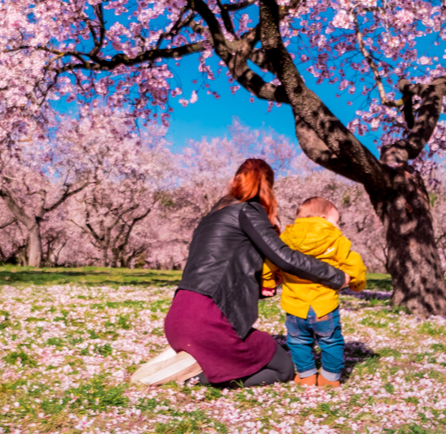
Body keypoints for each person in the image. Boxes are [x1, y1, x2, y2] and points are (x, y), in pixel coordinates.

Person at [149, 159, 350, 388]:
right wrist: (335, 275)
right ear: (268, 188)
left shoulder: (210, 219)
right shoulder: (248, 210)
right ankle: (193, 378)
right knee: (282, 368)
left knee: (248, 352)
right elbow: (284, 256)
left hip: (178, 318)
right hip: (208, 319)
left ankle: (198, 360)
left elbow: (224, 269)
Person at [261, 197, 367, 387]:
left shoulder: (286, 238)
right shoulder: (336, 239)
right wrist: (357, 284)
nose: (337, 226)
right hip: (323, 305)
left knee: (298, 341)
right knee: (331, 341)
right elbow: (355, 264)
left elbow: (269, 263)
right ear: (323, 218)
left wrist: (268, 283)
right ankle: (329, 378)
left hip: (295, 306)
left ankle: (306, 375)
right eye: (336, 221)